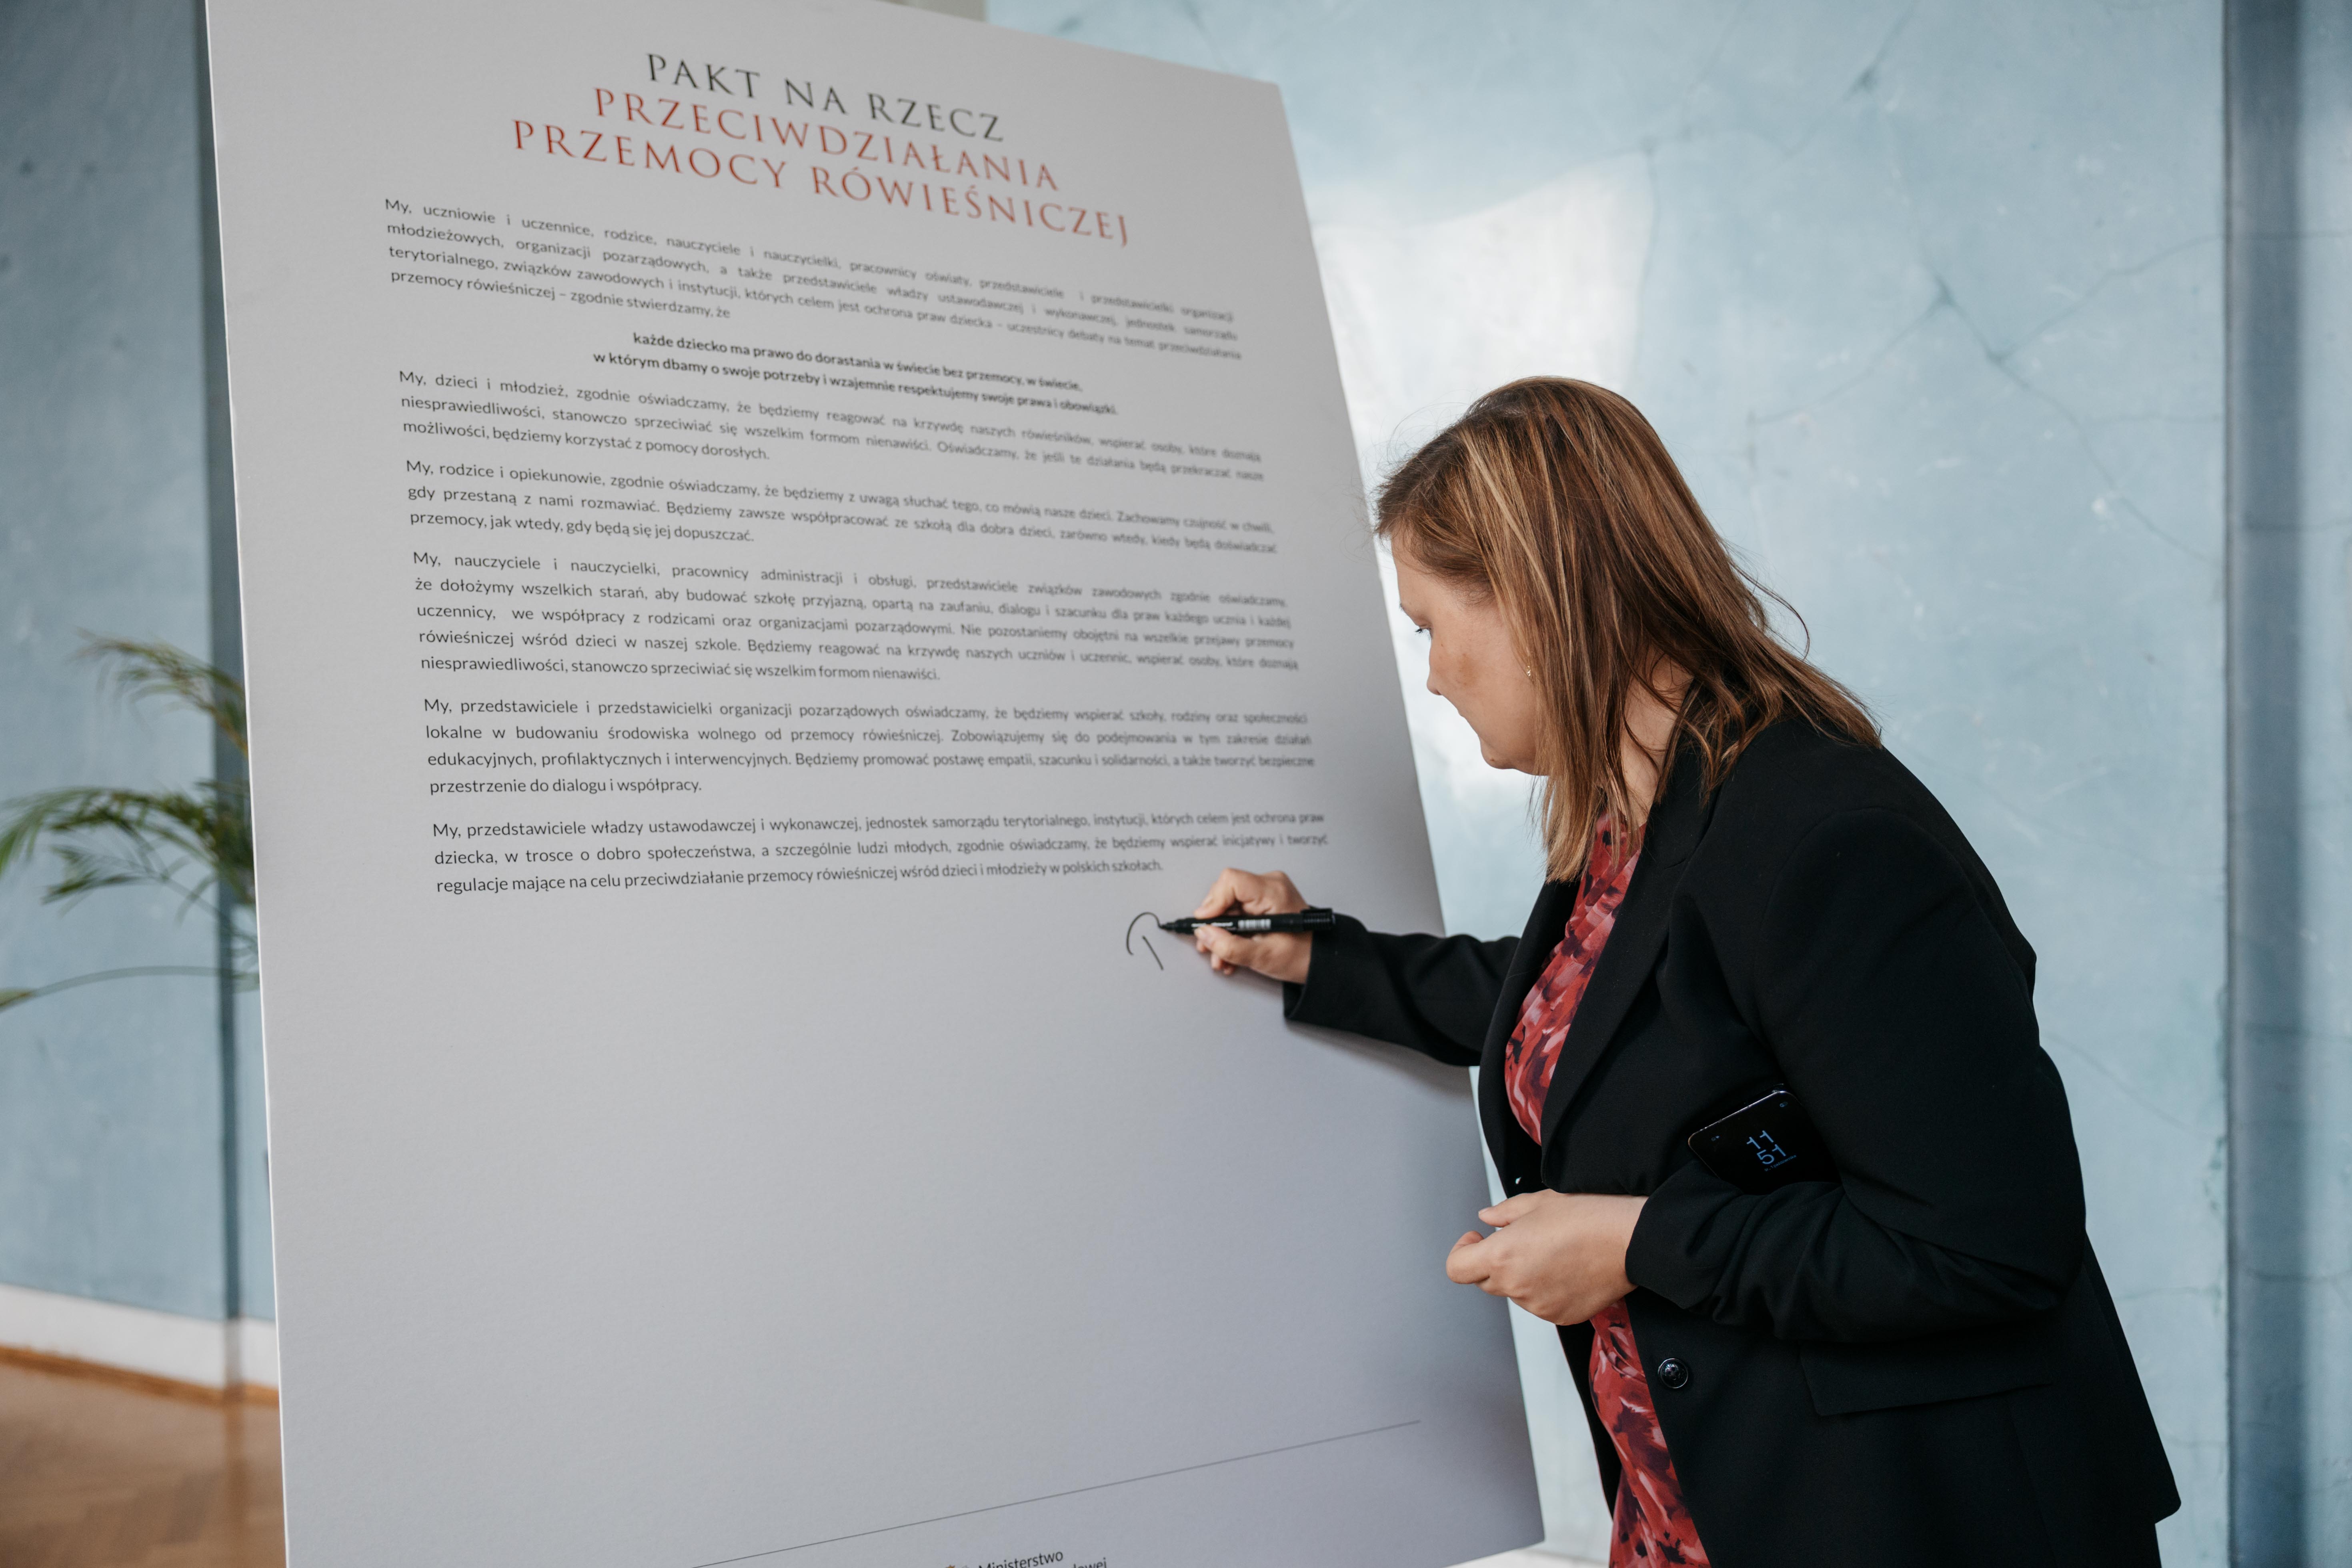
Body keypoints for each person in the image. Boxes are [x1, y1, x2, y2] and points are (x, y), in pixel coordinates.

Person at [1187, 379, 2179, 1567]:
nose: (1436, 674)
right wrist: (1320, 954)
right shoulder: (1643, 814)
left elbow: (1985, 1246)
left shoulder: (1830, 841)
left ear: (1539, 601)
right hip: (1719, 1511)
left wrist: (1634, 1243)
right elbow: (1611, 1019)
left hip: (1918, 1523)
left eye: (1430, 627)